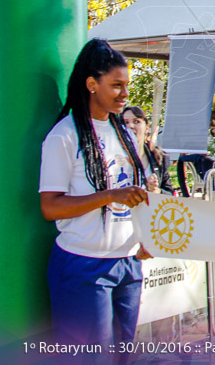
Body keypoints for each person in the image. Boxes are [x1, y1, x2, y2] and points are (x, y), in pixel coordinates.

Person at [39, 39, 150, 347]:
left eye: (126, 85)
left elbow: (132, 196)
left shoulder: (124, 133)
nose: (125, 95)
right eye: (116, 85)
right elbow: (50, 207)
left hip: (128, 264)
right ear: (91, 84)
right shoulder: (64, 136)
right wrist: (108, 196)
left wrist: (146, 238)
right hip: (84, 266)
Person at [121, 106, 173, 193]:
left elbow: (170, 194)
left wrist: (156, 190)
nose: (130, 126)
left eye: (136, 121)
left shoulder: (158, 157)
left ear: (147, 128)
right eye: (125, 122)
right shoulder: (113, 156)